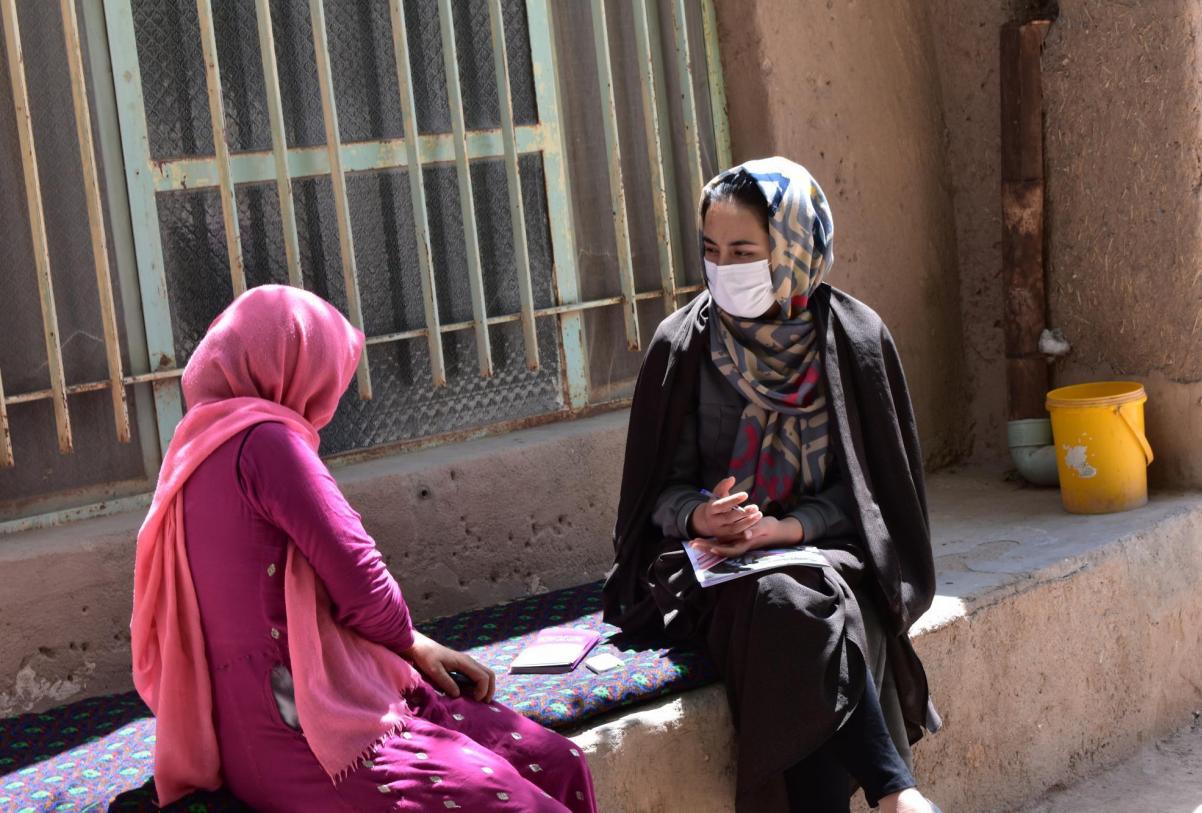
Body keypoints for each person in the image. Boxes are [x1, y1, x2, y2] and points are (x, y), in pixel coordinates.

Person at [131, 285, 598, 812]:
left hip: (269, 727)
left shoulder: (193, 456)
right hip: (312, 731)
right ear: (294, 366)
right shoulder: (267, 443)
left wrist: (413, 646)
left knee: (557, 761)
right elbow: (362, 582)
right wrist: (407, 640)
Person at [604, 157, 943, 813]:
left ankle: (892, 793)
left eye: (743, 251)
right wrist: (704, 516)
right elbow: (654, 499)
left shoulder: (855, 340)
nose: (723, 268)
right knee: (796, 602)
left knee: (801, 596)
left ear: (791, 247)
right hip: (710, 570)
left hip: (830, 553)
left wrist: (789, 528)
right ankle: (895, 790)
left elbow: (876, 500)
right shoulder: (682, 346)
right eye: (711, 250)